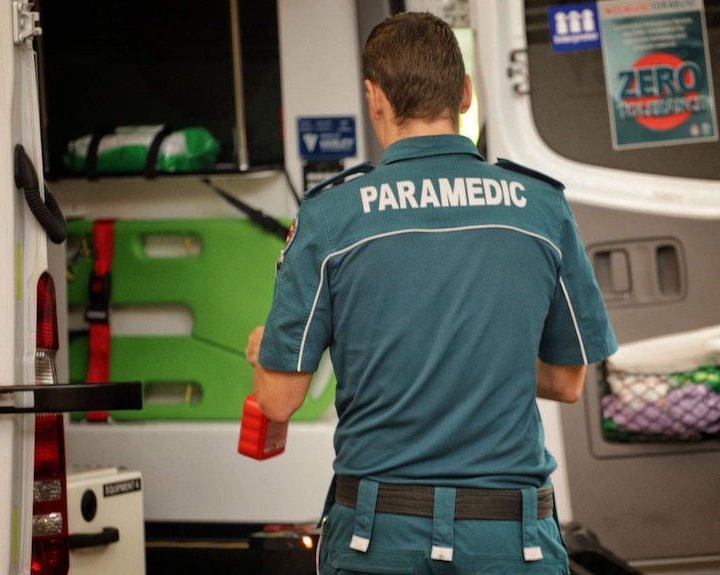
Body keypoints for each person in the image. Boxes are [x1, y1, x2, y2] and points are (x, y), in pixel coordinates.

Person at [245, 11, 617, 575]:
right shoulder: (541, 209)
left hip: (379, 537)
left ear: (375, 99)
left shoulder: (330, 217)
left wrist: (262, 353)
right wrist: (484, 358)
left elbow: (279, 401)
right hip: (513, 541)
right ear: (466, 94)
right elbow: (567, 381)